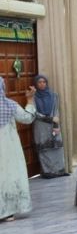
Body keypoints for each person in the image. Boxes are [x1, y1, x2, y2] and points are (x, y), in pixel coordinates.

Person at [0, 79, 36, 221]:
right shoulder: (9, 105)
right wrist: (30, 100)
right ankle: (7, 211)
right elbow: (27, 118)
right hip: (9, 149)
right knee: (9, 176)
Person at [32, 74, 67, 178]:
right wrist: (50, 119)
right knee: (44, 149)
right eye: (39, 82)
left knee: (57, 147)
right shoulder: (33, 97)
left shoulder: (53, 95)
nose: (42, 84)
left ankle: (60, 170)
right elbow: (34, 113)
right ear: (36, 84)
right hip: (41, 126)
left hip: (53, 124)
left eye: (44, 82)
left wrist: (56, 124)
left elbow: (56, 110)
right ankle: (47, 172)